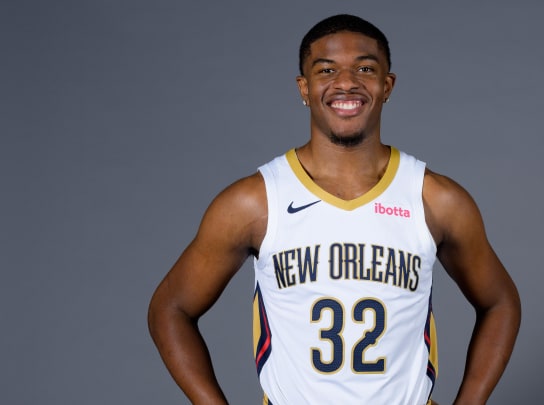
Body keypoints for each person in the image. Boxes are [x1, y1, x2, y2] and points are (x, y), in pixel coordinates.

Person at [148, 14, 521, 405]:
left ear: (387, 85)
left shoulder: (435, 199)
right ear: (304, 88)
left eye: (365, 68)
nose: (346, 82)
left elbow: (500, 302)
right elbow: (169, 309)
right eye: (326, 70)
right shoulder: (256, 202)